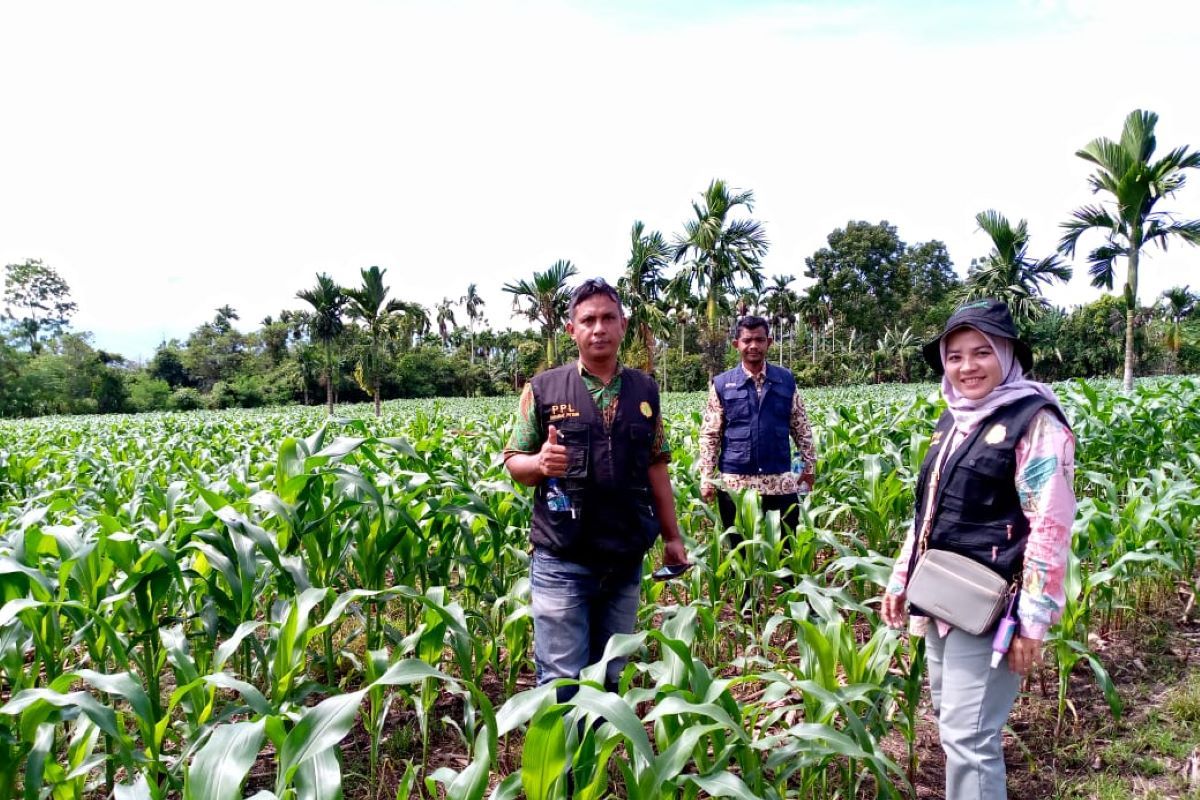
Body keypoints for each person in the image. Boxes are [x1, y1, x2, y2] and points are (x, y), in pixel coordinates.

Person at [881, 299, 1076, 800]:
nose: (967, 367)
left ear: (1008, 355)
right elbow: (928, 511)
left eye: (981, 352)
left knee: (970, 738)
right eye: (955, 356)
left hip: (993, 607)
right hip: (944, 598)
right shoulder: (954, 421)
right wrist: (902, 577)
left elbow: (1049, 527)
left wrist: (1033, 621)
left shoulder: (1035, 423)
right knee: (954, 726)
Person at [503, 278, 689, 700]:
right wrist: (539, 464)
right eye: (588, 320)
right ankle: (563, 767)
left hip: (624, 558)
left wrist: (673, 537)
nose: (599, 328)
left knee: (609, 675)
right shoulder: (544, 389)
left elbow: (657, 464)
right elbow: (514, 458)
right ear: (572, 330)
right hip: (563, 557)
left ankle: (595, 764)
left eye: (608, 318)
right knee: (562, 681)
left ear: (623, 325)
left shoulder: (645, 390)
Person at [699, 315, 816, 537]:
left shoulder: (785, 380)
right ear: (736, 345)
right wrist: (707, 476)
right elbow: (710, 435)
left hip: (779, 481)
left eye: (760, 340)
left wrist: (810, 466)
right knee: (739, 553)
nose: (753, 346)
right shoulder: (722, 384)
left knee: (786, 551)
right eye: (747, 340)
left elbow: (801, 427)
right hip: (736, 483)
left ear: (769, 342)